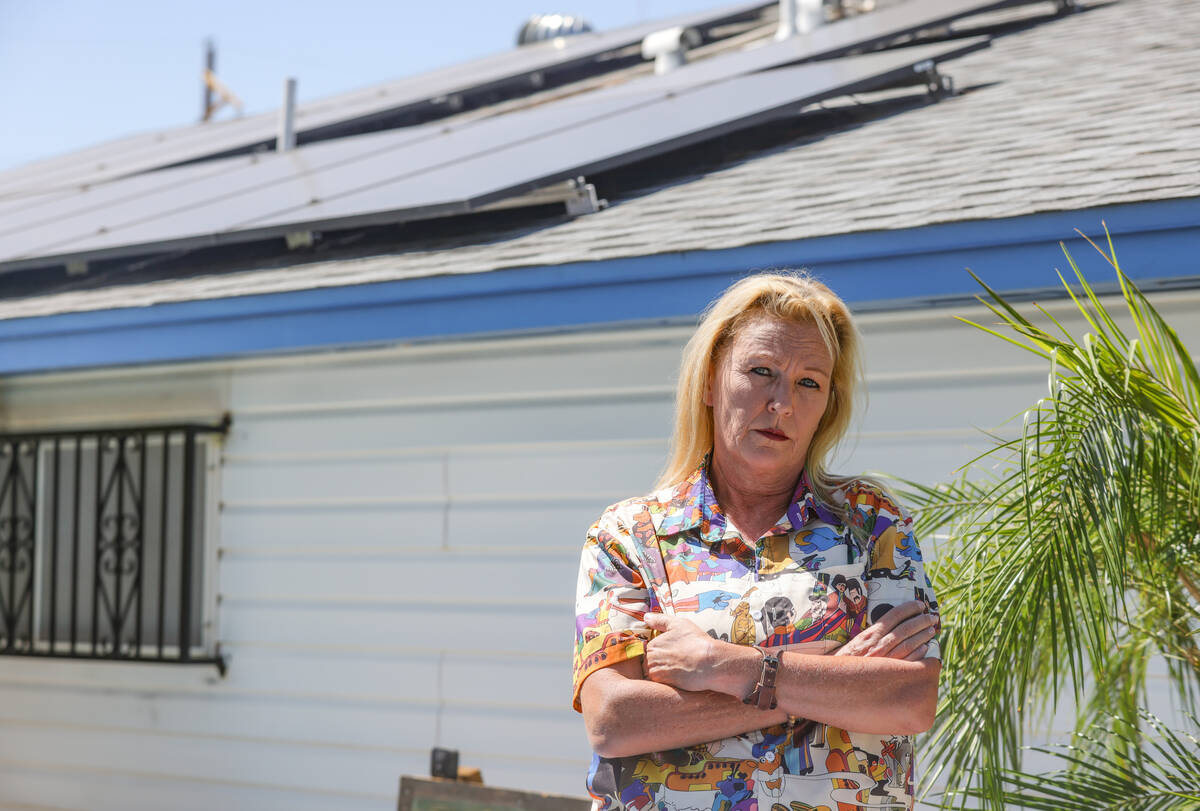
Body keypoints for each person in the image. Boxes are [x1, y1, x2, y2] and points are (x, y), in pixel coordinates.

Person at [572, 272, 941, 810]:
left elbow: (909, 698)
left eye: (809, 383)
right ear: (708, 381)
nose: (782, 403)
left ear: (826, 408)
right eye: (761, 371)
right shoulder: (630, 536)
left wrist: (722, 666)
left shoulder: (872, 524)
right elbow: (615, 720)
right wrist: (830, 676)